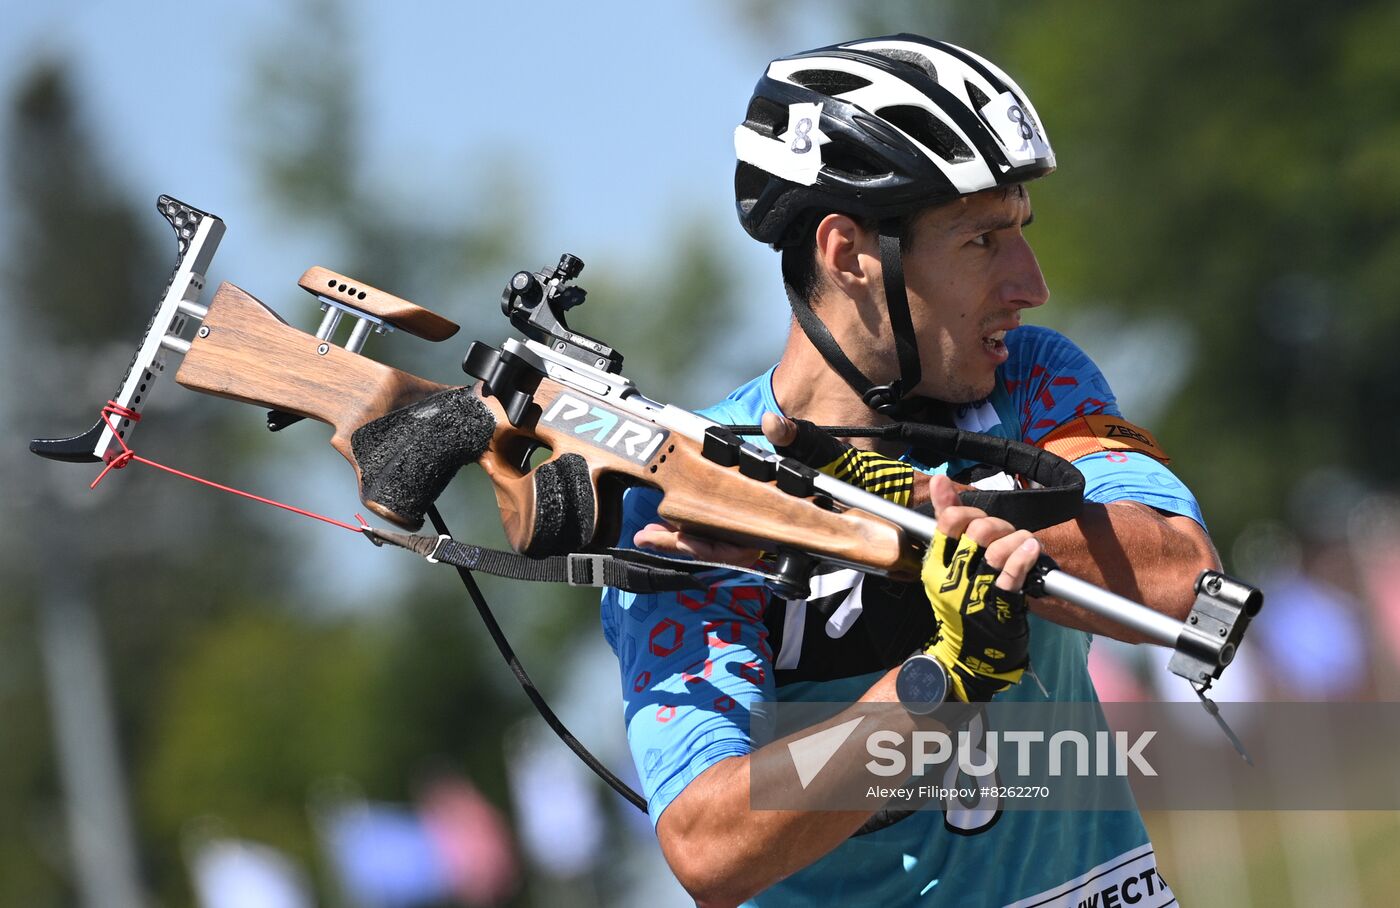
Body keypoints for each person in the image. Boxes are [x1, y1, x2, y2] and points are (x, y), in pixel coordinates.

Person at [600, 34, 1218, 907]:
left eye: (1020, 233)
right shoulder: (699, 481)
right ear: (849, 252)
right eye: (981, 241)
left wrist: (941, 529)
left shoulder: (1030, 381)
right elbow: (709, 844)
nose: (1029, 282)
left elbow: (1183, 577)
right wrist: (930, 691)